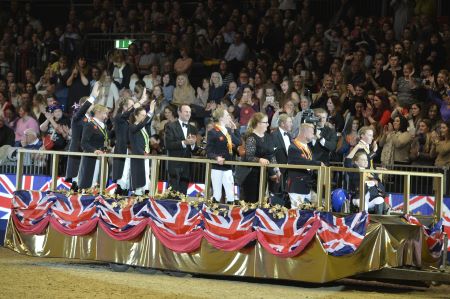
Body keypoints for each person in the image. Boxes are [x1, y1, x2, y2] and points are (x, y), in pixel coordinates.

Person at [240, 112, 280, 203]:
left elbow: (271, 154)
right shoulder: (251, 138)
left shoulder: (268, 137)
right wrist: (259, 159)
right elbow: (249, 157)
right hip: (251, 175)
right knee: (252, 200)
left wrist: (276, 168)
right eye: (265, 122)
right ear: (258, 124)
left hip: (265, 173)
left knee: (263, 201)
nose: (268, 124)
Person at [206, 107, 241, 203]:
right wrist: (216, 157)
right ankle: (213, 215)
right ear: (221, 118)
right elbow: (208, 150)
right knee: (217, 193)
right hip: (217, 166)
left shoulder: (228, 130)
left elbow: (238, 142)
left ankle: (229, 215)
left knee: (230, 193)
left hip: (228, 166)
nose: (229, 117)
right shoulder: (212, 132)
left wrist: (235, 129)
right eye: (227, 115)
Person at [287, 123, 324, 208]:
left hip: (308, 185)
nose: (313, 135)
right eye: (312, 132)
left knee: (319, 206)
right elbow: (302, 162)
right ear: (304, 133)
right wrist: (318, 163)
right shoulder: (293, 147)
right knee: (296, 212)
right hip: (297, 186)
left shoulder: (307, 147)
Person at [65, 91, 96, 191]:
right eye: (92, 104)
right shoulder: (77, 117)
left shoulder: (90, 119)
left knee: (83, 177)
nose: (93, 106)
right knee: (76, 179)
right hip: (77, 149)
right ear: (83, 105)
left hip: (86, 150)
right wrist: (93, 96)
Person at [165, 104, 198, 195]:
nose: (188, 114)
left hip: (187, 166)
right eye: (186, 112)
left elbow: (195, 149)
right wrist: (184, 143)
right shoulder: (170, 126)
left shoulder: (193, 128)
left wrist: (193, 144)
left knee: (183, 193)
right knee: (172, 193)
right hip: (174, 164)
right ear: (179, 112)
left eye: (190, 112)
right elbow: (168, 145)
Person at [78, 104, 110, 190]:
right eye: (104, 113)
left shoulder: (104, 126)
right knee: (90, 183)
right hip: (92, 158)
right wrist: (94, 151)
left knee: (101, 183)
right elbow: (84, 143)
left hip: (103, 157)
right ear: (97, 112)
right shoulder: (90, 125)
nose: (106, 116)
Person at [129, 100, 156, 195]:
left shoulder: (143, 127)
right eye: (142, 115)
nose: (145, 117)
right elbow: (135, 144)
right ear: (136, 116)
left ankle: (143, 195)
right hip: (138, 156)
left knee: (145, 177)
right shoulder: (133, 127)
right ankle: (137, 196)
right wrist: (150, 111)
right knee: (139, 179)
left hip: (145, 155)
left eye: (145, 115)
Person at [270, 113, 293, 193]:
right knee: (276, 194)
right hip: (278, 171)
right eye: (289, 122)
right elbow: (271, 154)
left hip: (288, 171)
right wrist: (276, 169)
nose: (291, 124)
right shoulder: (274, 135)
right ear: (282, 124)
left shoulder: (289, 136)